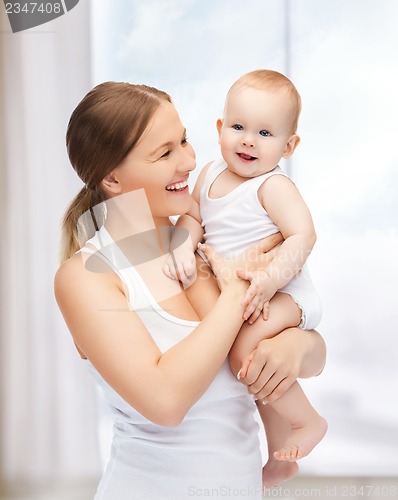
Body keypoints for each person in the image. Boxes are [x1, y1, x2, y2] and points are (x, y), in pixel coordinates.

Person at [54, 81, 327, 499]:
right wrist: (237, 291)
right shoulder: (88, 276)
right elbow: (165, 402)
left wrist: (297, 350)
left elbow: (310, 355)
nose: (189, 161)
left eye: (184, 140)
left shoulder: (203, 249)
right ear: (112, 177)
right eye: (165, 153)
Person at [163, 69, 328, 487]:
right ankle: (280, 451)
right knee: (257, 370)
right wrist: (183, 244)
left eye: (265, 133)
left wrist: (269, 281)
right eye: (238, 127)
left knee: (244, 356)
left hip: (284, 293)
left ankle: (308, 422)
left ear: (289, 146)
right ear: (220, 128)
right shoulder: (209, 175)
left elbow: (302, 235)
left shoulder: (273, 186)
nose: (248, 140)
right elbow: (193, 217)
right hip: (245, 291)